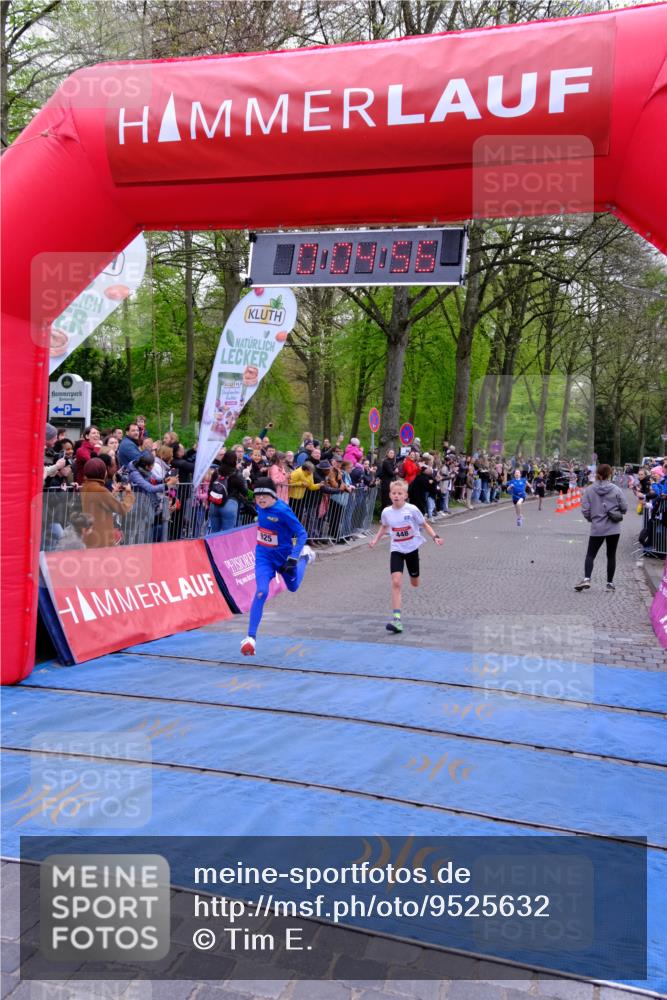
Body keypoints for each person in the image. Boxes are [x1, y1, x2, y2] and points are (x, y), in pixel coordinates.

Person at [240, 477, 315, 656]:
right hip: (264, 556)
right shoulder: (259, 505)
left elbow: (302, 533)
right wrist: (252, 510)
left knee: (293, 587)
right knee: (261, 592)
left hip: (284, 557)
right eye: (258, 496)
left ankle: (306, 557)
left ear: (273, 495)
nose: (261, 499)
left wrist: (294, 557)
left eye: (265, 495)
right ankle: (251, 638)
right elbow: (263, 519)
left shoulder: (282, 510)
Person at [368, 479, 443, 634]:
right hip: (396, 549)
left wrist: (435, 536)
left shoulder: (412, 510)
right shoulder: (386, 512)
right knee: (396, 582)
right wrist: (375, 540)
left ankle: (415, 574)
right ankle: (397, 620)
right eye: (394, 493)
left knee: (415, 582)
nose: (396, 496)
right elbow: (384, 526)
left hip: (412, 548)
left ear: (405, 495)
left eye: (399, 493)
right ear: (390, 495)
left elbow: (424, 524)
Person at [575, 464, 628, 592]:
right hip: (613, 528)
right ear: (610, 474)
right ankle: (610, 583)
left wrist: (592, 519)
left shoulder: (589, 490)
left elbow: (585, 510)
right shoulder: (616, 489)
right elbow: (624, 507)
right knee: (611, 555)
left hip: (597, 527)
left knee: (590, 554)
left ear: (597, 474)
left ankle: (587, 579)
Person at [80, 458, 135, 547]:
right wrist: (129, 494)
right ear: (101, 472)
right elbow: (122, 509)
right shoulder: (100, 490)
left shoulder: (85, 486)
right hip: (102, 539)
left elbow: (99, 505)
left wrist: (112, 494)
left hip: (89, 537)